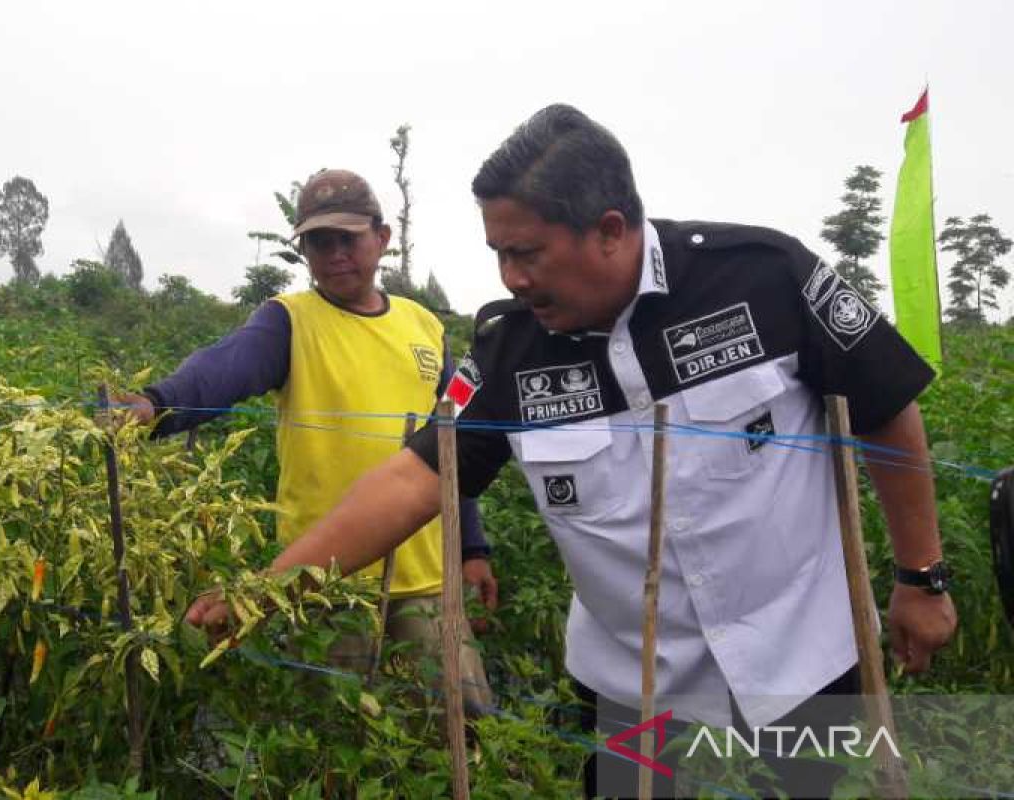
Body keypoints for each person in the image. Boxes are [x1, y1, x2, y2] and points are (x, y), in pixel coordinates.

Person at [186, 107, 957, 796]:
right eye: (497, 254)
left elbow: (886, 404)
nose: (511, 278)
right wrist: (269, 588)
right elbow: (417, 477)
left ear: (610, 230)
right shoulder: (506, 353)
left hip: (802, 663)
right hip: (635, 691)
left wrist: (920, 576)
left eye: (528, 253)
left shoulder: (765, 279)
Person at [124, 168, 495, 710]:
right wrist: (155, 404)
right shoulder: (289, 321)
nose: (336, 253)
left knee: (457, 727)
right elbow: (224, 369)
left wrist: (474, 548)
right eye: (320, 242)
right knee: (336, 739)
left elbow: (456, 443)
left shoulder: (425, 327)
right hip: (322, 583)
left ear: (382, 237)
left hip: (427, 578)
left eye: (349, 238)